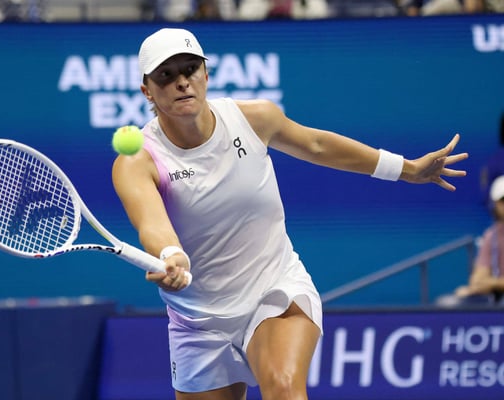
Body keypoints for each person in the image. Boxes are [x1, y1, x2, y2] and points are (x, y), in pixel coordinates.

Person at [112, 28, 468, 400]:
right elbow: (152, 224)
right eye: (166, 75)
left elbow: (317, 145)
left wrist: (407, 169)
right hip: (197, 322)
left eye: (190, 69)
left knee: (284, 388)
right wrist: (171, 255)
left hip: (273, 289)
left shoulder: (254, 118)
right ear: (147, 91)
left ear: (206, 74)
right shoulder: (136, 161)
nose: (182, 82)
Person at [451, 176, 504, 304]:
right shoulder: (491, 235)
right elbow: (478, 280)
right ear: (495, 204)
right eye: (503, 201)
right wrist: (480, 286)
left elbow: (485, 282)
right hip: (498, 299)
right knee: (452, 302)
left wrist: (491, 283)